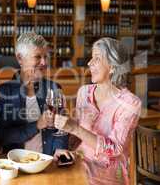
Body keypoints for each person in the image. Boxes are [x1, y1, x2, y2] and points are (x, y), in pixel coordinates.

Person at [54, 37, 141, 185]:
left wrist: (75, 128)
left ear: (113, 67)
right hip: (79, 164)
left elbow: (114, 148)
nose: (89, 63)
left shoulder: (130, 103)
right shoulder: (84, 92)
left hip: (108, 175)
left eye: (97, 59)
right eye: (91, 58)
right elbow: (77, 138)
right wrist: (63, 147)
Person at [0, 32, 69, 155]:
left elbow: (61, 129)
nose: (44, 63)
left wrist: (59, 149)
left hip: (49, 163)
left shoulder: (54, 88)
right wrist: (36, 125)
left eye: (46, 57)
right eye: (38, 57)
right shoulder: (4, 92)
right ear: (20, 58)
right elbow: (3, 137)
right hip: (16, 165)